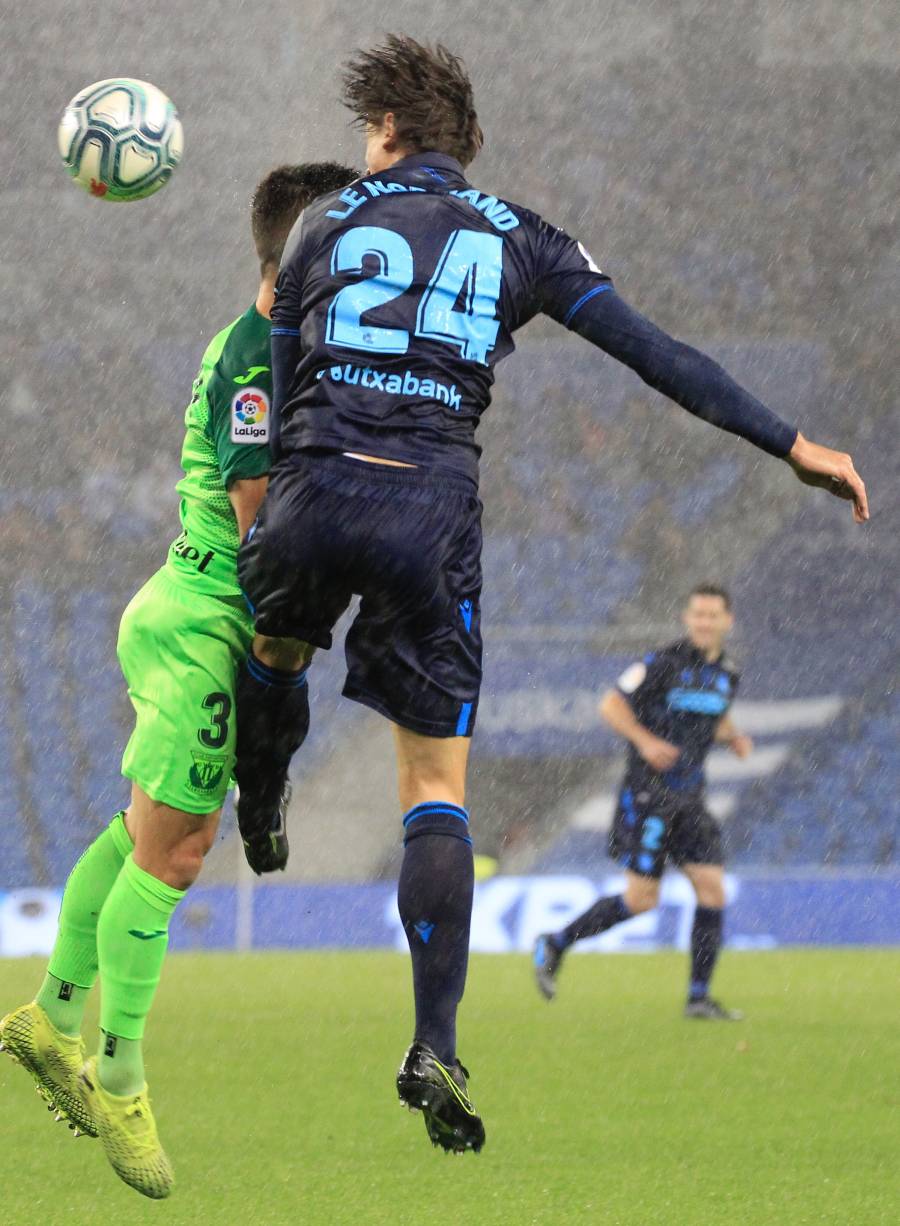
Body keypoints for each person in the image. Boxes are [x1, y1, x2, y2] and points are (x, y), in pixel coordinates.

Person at [232, 35, 868, 1156]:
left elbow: (287, 400)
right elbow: (658, 354)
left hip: (315, 482)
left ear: (381, 131)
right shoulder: (522, 234)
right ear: (467, 146)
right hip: (430, 508)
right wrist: (789, 442)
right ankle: (434, 1038)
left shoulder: (321, 224)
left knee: (278, 647)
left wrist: (296, 514)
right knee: (434, 787)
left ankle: (263, 783)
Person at [0, 162, 357, 1200]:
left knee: (140, 832)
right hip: (208, 619)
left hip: (185, 604)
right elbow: (263, 526)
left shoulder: (278, 346)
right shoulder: (258, 356)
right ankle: (118, 1073)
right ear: (300, 257)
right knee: (180, 852)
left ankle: (52, 1016)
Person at [534, 584, 753, 1017]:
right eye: (698, 614)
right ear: (687, 619)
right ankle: (556, 942)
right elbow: (612, 705)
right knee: (641, 899)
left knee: (711, 889)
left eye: (712, 615)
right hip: (650, 795)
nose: (704, 622)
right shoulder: (662, 663)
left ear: (727, 622)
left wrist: (734, 737)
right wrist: (646, 741)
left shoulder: (728, 672)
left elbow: (713, 714)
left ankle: (698, 998)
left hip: (691, 798)